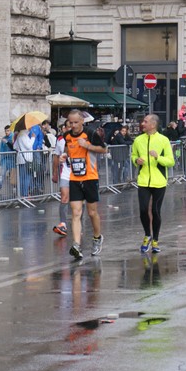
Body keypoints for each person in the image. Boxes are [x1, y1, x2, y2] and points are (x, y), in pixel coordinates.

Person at [61, 109, 107, 260]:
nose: (73, 125)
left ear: (82, 121)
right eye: (70, 123)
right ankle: (76, 244)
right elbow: (68, 150)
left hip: (90, 177)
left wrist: (87, 146)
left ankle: (97, 237)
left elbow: (103, 149)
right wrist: (64, 155)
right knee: (75, 213)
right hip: (74, 178)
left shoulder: (90, 133)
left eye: (75, 122)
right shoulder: (67, 136)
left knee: (92, 212)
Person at [131, 114, 175, 253]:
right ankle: (147, 235)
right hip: (143, 180)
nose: (142, 123)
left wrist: (158, 157)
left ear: (153, 124)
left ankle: (155, 240)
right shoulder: (138, 140)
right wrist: (136, 160)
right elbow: (133, 156)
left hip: (159, 181)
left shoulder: (164, 140)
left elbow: (171, 161)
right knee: (143, 210)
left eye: (145, 121)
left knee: (156, 211)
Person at [52, 121, 71, 236]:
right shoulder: (60, 140)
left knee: (78, 202)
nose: (71, 128)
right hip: (65, 173)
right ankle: (63, 224)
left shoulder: (81, 139)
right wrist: (55, 172)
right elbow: (56, 156)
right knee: (64, 197)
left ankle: (78, 224)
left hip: (79, 174)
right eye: (68, 126)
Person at [14, 128, 35, 197]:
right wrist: (33, 138)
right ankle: (25, 194)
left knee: (22, 177)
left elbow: (15, 146)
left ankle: (21, 194)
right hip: (26, 159)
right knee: (27, 177)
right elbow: (29, 146)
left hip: (21, 159)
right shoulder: (23, 135)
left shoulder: (19, 135)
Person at [0, 125, 15, 194]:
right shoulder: (3, 138)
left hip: (12, 158)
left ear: (11, 130)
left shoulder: (13, 137)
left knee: (13, 174)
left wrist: (7, 142)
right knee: (2, 173)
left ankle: (15, 187)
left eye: (8, 130)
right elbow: (1, 149)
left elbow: (13, 147)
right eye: (5, 131)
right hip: (6, 158)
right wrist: (2, 159)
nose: (6, 132)